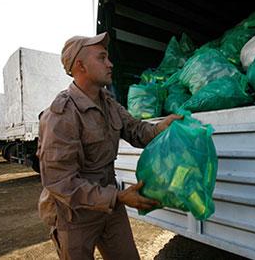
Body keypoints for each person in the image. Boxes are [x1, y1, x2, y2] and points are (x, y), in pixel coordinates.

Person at [37, 32, 182, 260]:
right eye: (102, 58)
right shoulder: (61, 114)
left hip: (110, 206)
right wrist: (119, 197)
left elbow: (135, 130)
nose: (110, 63)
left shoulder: (108, 103)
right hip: (74, 214)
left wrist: (159, 128)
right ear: (80, 66)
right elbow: (60, 182)